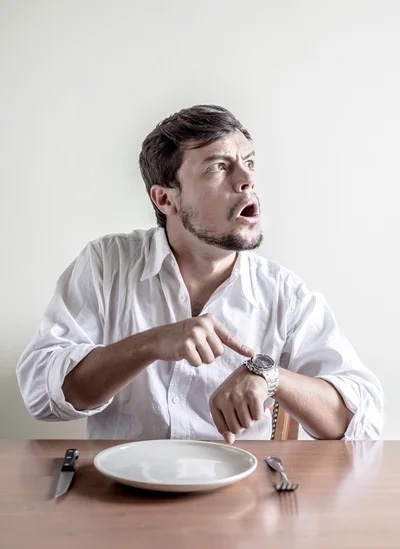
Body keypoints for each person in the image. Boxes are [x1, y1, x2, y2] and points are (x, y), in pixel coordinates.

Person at [16, 104, 383, 442]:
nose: (246, 180)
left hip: (240, 502)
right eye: (218, 167)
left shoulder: (284, 293)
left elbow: (360, 421)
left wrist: (270, 377)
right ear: (165, 199)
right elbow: (42, 394)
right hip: (120, 495)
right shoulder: (105, 264)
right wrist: (150, 344)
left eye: (249, 163)